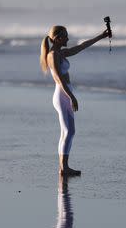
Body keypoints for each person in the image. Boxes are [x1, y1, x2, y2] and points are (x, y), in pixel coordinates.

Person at [40, 24, 111, 177]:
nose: (68, 38)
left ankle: (63, 167)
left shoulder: (60, 53)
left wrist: (101, 36)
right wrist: (71, 97)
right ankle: (64, 168)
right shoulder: (53, 55)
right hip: (62, 95)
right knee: (69, 131)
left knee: (67, 132)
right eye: (65, 35)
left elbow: (81, 47)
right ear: (58, 38)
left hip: (65, 94)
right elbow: (59, 79)